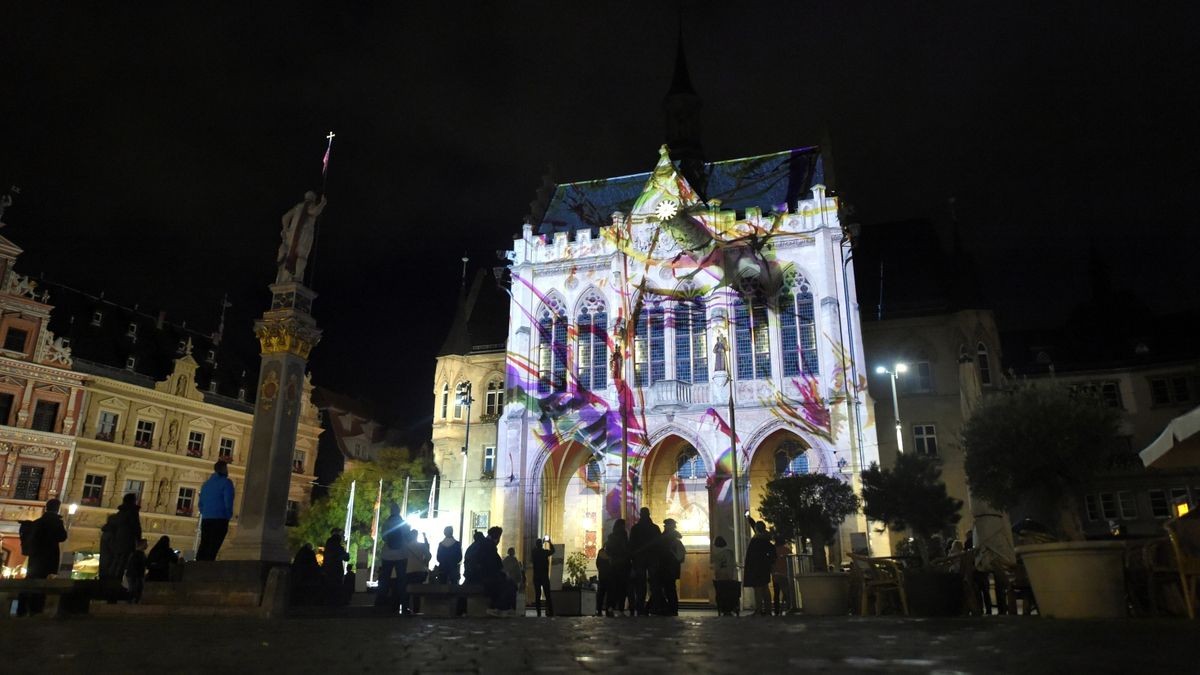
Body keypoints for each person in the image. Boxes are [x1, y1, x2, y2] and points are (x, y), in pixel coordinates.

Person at [20, 498, 68, 615]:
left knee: (31, 579)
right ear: (57, 508)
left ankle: (22, 608)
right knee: (41, 583)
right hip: (48, 556)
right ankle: (35, 609)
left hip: (35, 555)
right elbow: (62, 537)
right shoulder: (55, 521)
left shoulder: (38, 521)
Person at [100, 493, 142, 600]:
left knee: (112, 565)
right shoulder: (132, 513)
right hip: (125, 543)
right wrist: (139, 540)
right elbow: (136, 527)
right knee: (120, 566)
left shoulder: (115, 517)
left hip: (113, 545)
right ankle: (114, 588)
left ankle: (109, 587)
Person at [197, 461, 234, 561]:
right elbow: (228, 501)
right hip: (220, 519)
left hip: (206, 519)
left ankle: (197, 567)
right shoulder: (226, 483)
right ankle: (207, 568)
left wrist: (205, 513)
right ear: (223, 469)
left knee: (204, 544)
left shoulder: (206, 485)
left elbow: (200, 504)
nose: (227, 471)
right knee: (213, 547)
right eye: (226, 468)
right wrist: (227, 515)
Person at [375, 503, 409, 613]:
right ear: (399, 511)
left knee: (384, 580)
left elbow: (384, 537)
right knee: (402, 581)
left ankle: (380, 604)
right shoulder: (403, 523)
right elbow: (407, 536)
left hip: (387, 555)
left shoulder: (386, 523)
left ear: (391, 511)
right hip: (401, 554)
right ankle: (404, 606)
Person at [628, 507, 661, 616]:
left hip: (639, 558)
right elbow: (659, 545)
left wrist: (632, 558)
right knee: (654, 584)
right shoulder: (655, 528)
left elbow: (631, 544)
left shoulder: (635, 529)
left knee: (640, 585)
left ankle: (641, 607)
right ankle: (654, 606)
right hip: (652, 558)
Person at [744, 520, 776, 616]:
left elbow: (753, 556)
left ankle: (759, 610)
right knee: (765, 588)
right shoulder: (766, 539)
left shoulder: (757, 540)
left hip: (756, 568)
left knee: (758, 589)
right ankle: (768, 610)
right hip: (764, 567)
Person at [658, 518, 686, 616]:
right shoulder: (675, 538)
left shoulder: (665, 538)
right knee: (670, 588)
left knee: (667, 588)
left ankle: (669, 608)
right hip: (673, 567)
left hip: (666, 566)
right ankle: (672, 608)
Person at [403, 529, 432, 614]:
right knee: (417, 592)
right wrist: (424, 562)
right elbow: (429, 556)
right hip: (420, 570)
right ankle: (416, 609)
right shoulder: (422, 546)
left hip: (408, 571)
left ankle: (406, 609)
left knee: (407, 591)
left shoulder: (406, 546)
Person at [605, 519, 630, 616]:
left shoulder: (611, 537)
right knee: (622, 588)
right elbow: (627, 550)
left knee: (613, 588)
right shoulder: (624, 537)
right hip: (623, 565)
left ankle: (610, 607)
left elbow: (608, 551)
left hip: (614, 565)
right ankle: (620, 607)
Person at [321, 528, 350, 606]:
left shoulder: (329, 545)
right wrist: (345, 554)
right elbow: (346, 558)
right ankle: (335, 602)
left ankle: (328, 601)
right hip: (336, 570)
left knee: (329, 587)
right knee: (336, 586)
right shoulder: (337, 546)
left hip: (328, 569)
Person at [711, 535, 738, 616]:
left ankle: (723, 609)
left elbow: (717, 566)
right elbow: (731, 565)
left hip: (721, 576)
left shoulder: (717, 554)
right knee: (729, 593)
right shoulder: (729, 552)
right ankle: (729, 609)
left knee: (721, 593)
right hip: (729, 575)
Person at [531, 536, 554, 616]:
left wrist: (542, 543)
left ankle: (539, 613)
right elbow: (553, 551)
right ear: (541, 545)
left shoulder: (534, 552)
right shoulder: (544, 552)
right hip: (544, 576)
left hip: (536, 576)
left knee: (537, 595)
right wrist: (549, 542)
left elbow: (535, 549)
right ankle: (550, 612)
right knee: (547, 595)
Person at [772, 533, 793, 615]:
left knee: (776, 593)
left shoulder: (773, 550)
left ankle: (777, 610)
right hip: (785, 574)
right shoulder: (787, 550)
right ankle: (788, 608)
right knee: (786, 593)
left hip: (775, 574)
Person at [125, 539, 148, 604]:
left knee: (133, 590)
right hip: (136, 576)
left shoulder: (135, 554)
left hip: (134, 575)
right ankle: (132, 603)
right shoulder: (138, 555)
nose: (147, 545)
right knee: (135, 590)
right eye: (145, 544)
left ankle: (131, 602)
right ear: (141, 545)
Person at [502, 546, 525, 613]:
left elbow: (503, 570)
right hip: (513, 581)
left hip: (506, 581)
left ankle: (507, 608)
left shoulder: (505, 560)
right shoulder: (514, 560)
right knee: (513, 596)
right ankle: (513, 609)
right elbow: (518, 571)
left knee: (507, 596)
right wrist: (520, 580)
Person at [595, 546, 611, 616]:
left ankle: (599, 610)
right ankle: (608, 610)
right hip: (609, 575)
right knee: (609, 594)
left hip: (602, 575)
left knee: (601, 594)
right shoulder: (611, 552)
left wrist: (601, 570)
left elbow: (597, 563)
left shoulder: (601, 552)